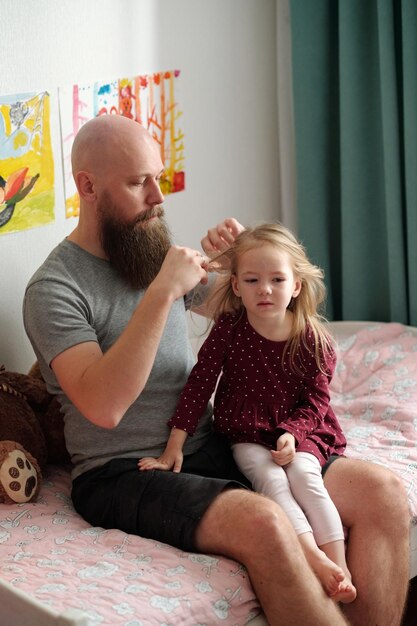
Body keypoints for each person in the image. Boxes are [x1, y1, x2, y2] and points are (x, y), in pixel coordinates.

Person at [22, 114, 409, 626]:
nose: (158, 197)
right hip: (121, 470)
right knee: (266, 522)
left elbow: (249, 313)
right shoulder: (54, 289)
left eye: (158, 177)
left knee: (383, 494)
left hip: (208, 442)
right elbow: (103, 405)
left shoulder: (145, 244)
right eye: (139, 182)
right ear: (88, 186)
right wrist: (162, 293)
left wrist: (247, 258)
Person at [139, 222, 356, 603]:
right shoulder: (230, 328)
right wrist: (174, 444)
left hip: (302, 430)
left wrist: (292, 433)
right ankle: (315, 560)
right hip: (246, 430)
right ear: (236, 286)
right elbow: (200, 382)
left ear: (296, 285)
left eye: (277, 279)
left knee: (306, 478)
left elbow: (316, 401)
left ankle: (340, 571)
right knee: (271, 482)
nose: (265, 290)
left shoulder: (312, 339)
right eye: (253, 280)